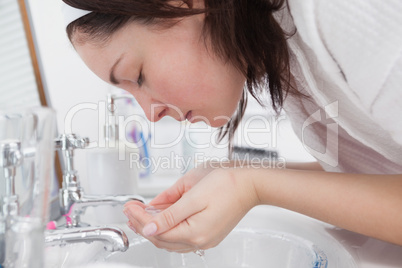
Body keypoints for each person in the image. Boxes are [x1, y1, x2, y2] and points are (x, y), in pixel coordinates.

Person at [61, 0, 402, 251]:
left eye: (137, 76)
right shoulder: (280, 45)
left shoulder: (335, 10)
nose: (149, 113)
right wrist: (234, 176)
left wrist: (251, 185)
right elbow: (380, 174)